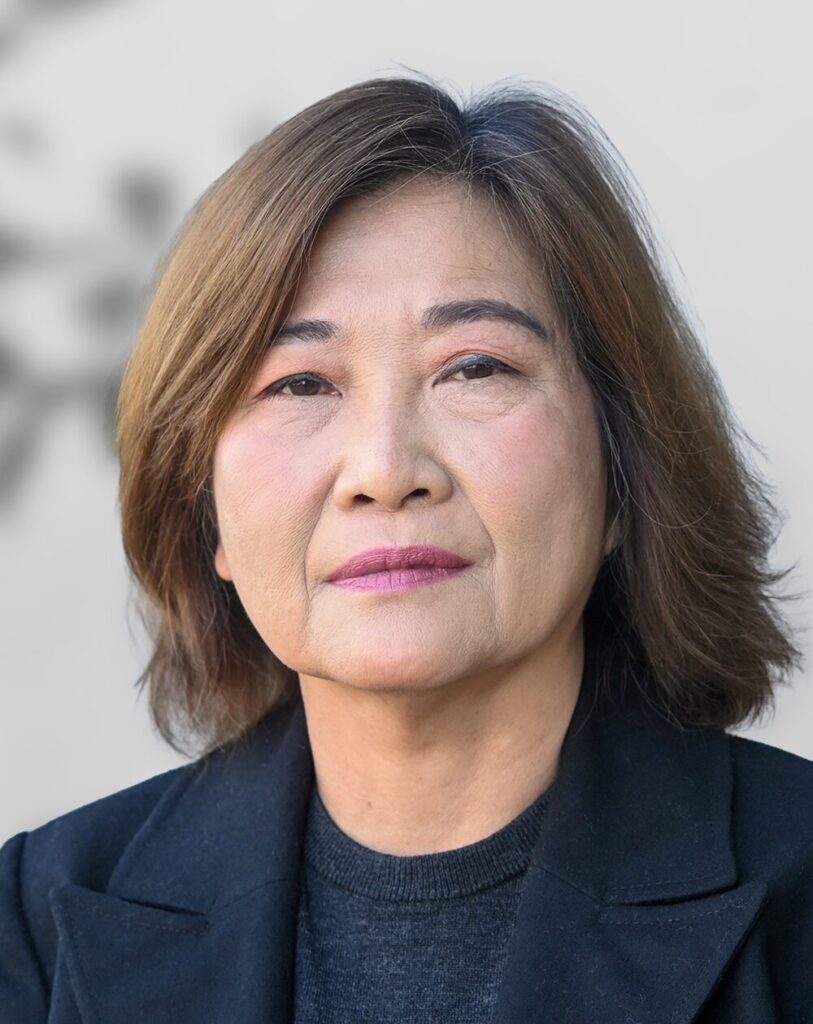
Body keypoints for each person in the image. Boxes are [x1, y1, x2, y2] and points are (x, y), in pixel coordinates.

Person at [1, 72, 811, 1024]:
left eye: (475, 368)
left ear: (623, 474)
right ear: (204, 510)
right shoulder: (37, 926)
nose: (385, 471)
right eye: (298, 384)